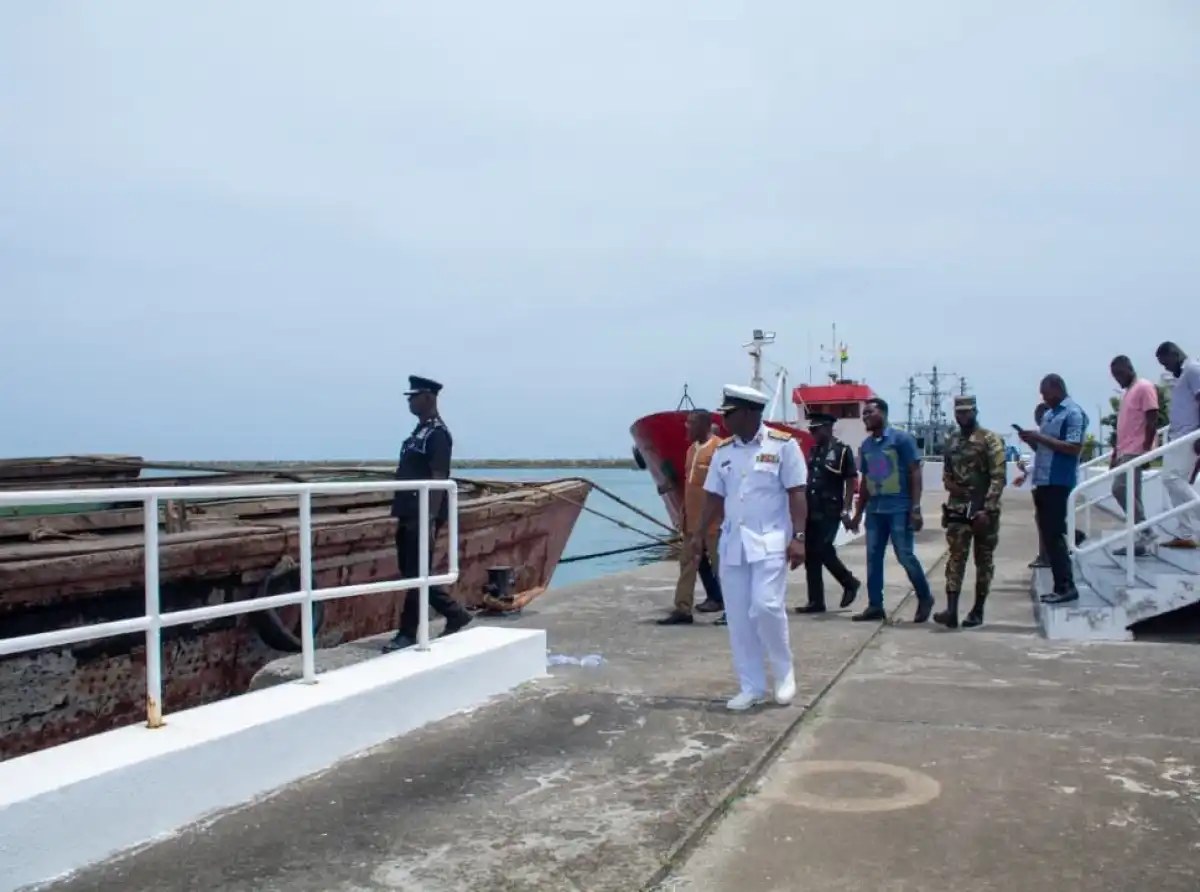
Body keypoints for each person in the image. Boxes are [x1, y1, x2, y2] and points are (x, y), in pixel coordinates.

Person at [694, 385, 807, 711]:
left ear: (748, 413)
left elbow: (797, 492)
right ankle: (752, 685)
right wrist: (698, 534)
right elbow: (714, 496)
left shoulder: (784, 446)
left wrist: (799, 537)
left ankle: (784, 674)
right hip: (733, 545)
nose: (724, 420)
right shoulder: (723, 451)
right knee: (740, 618)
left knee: (767, 606)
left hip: (770, 540)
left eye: (729, 414)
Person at [383, 375, 473, 652]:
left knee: (417, 573)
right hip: (407, 511)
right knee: (411, 571)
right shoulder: (417, 434)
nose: (410, 401)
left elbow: (438, 478)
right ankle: (454, 614)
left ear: (429, 398)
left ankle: (409, 632)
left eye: (414, 396)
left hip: (422, 513)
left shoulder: (437, 435)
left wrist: (429, 518)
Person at [847, 398, 934, 623]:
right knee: (873, 557)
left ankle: (925, 597)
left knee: (905, 555)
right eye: (863, 413)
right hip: (875, 510)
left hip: (899, 507)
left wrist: (915, 507)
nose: (865, 416)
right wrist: (858, 514)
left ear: (883, 413)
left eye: (869, 412)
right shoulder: (866, 446)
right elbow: (865, 481)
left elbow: (915, 472)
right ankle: (875, 605)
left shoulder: (901, 440)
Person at [934, 395, 1007, 629]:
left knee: (983, 562)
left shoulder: (990, 440)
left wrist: (987, 508)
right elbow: (947, 472)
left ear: (975, 411)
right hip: (957, 509)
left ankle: (977, 610)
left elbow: (998, 477)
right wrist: (951, 485)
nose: (962, 416)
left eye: (967, 412)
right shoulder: (952, 440)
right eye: (959, 412)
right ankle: (951, 611)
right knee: (955, 559)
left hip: (983, 510)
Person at [1018, 374, 1087, 605]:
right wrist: (1031, 440)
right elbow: (1044, 448)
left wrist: (1041, 437)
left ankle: (1066, 586)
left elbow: (1073, 447)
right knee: (1048, 535)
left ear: (1057, 388)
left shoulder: (1073, 413)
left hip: (1059, 481)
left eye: (1045, 392)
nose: (1043, 397)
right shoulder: (1049, 414)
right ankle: (1060, 585)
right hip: (1043, 480)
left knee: (1055, 535)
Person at [659, 409, 725, 624]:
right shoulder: (691, 451)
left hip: (715, 523)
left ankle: (734, 610)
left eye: (692, 423)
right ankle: (683, 609)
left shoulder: (720, 449)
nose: (687, 427)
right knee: (687, 564)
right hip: (691, 522)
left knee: (722, 568)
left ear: (705, 425)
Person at [795, 412, 861, 614]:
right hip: (812, 508)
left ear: (827, 428)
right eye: (811, 429)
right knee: (811, 556)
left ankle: (849, 582)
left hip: (830, 509)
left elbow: (850, 481)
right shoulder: (814, 450)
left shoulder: (841, 451)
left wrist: (846, 509)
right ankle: (816, 601)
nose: (812, 433)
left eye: (816, 429)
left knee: (824, 549)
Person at [1108, 355, 1160, 555]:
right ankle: (1141, 538)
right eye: (1115, 376)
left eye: (1120, 374)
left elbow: (1152, 417)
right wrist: (1114, 454)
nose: (1118, 379)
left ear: (1129, 368)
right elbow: (1122, 427)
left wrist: (1147, 449)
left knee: (1119, 489)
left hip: (1136, 450)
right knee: (1133, 494)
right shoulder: (1127, 392)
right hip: (1124, 449)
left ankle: (1145, 531)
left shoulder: (1144, 387)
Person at [1155, 341, 1200, 548]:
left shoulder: (1193, 369)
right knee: (1170, 481)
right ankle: (1185, 532)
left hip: (1189, 436)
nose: (1165, 368)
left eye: (1165, 362)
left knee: (1172, 478)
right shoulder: (1182, 375)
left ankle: (1188, 528)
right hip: (1176, 436)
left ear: (1174, 354)